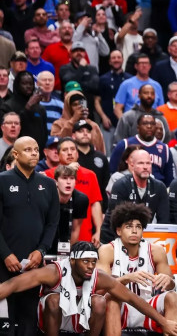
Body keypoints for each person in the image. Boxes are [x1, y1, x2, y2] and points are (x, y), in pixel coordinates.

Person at [0, 241, 177, 336]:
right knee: (55, 300)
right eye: (85, 261)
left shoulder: (99, 276)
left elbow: (132, 299)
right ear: (72, 261)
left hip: (81, 318)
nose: (90, 266)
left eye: (93, 262)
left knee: (99, 300)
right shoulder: (53, 272)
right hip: (53, 317)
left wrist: (164, 322)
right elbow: (13, 285)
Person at [0, 137, 59, 336]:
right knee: (5, 324)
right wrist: (5, 254)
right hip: (3, 263)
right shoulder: (2, 181)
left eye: (35, 149)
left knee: (28, 324)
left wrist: (41, 251)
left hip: (33, 265)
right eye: (27, 150)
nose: (34, 153)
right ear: (15, 155)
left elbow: (52, 223)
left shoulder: (49, 184)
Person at [97, 203, 177, 333]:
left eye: (138, 226)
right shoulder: (107, 250)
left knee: (174, 297)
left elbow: (171, 286)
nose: (134, 230)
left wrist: (168, 280)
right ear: (118, 230)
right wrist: (126, 278)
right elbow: (100, 290)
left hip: (147, 306)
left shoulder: (156, 250)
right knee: (111, 299)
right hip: (120, 309)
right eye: (129, 226)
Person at [100, 148, 170, 243]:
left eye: (148, 163)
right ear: (132, 165)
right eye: (141, 163)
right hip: (113, 236)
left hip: (145, 236)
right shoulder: (120, 185)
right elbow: (116, 219)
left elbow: (164, 221)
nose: (145, 167)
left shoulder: (159, 187)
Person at [44, 136, 103, 245]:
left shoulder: (90, 175)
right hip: (56, 236)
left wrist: (99, 231)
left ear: (77, 153)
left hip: (85, 235)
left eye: (73, 149)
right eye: (65, 150)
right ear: (58, 154)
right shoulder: (48, 175)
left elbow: (95, 203)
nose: (69, 153)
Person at [109, 113, 175, 186]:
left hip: (157, 189)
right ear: (138, 128)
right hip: (129, 187)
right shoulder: (125, 144)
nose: (149, 126)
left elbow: (170, 179)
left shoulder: (165, 148)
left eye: (152, 124)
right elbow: (113, 169)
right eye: (145, 123)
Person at [49, 164, 89, 256]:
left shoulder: (81, 199)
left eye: (71, 178)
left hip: (66, 244)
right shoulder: (47, 197)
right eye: (64, 178)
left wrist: (69, 254)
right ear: (56, 181)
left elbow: (75, 229)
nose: (68, 182)